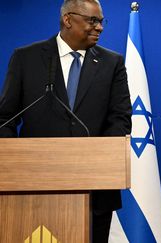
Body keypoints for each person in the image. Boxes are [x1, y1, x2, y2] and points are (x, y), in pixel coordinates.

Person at [0, 0, 131, 242]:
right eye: (93, 20)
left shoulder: (112, 63)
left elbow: (120, 119)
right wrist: (15, 162)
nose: (99, 27)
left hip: (96, 190)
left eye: (101, 21)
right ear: (68, 19)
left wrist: (96, 159)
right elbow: (5, 118)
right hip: (32, 187)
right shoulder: (26, 58)